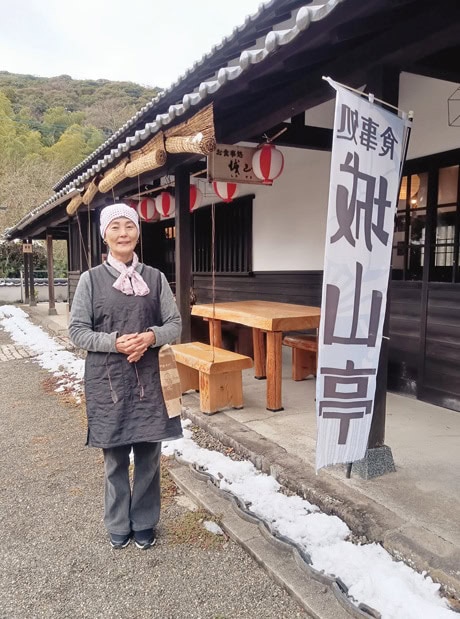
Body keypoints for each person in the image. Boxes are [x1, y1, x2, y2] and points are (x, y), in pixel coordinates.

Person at [69, 202, 182, 550]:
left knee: (149, 456)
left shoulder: (155, 278)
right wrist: (115, 343)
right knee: (115, 457)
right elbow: (76, 331)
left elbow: (175, 325)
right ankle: (118, 522)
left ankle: (145, 521)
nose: (123, 233)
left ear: (137, 232)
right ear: (105, 235)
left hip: (150, 379)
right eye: (115, 227)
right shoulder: (90, 280)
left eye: (129, 226)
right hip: (109, 381)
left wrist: (149, 337)